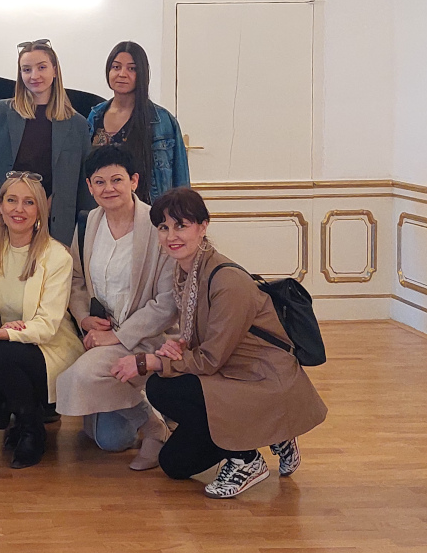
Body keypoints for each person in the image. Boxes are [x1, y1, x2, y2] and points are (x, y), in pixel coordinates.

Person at [116, 188, 327, 498]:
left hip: (260, 379)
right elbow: (204, 339)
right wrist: (179, 348)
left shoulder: (227, 281)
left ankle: (247, 459)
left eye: (181, 225)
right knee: (174, 464)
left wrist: (153, 361)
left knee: (162, 386)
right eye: (163, 227)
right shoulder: (185, 272)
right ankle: (271, 431)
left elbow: (211, 359)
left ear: (203, 226)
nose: (171, 236)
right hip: (230, 373)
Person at [54, 146, 177, 470]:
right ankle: (144, 406)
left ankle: (153, 425)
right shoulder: (88, 223)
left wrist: (119, 337)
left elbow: (167, 303)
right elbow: (76, 279)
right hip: (101, 337)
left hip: (145, 338)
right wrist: (84, 319)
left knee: (78, 378)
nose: (108, 188)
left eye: (117, 180)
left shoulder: (158, 227)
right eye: (100, 182)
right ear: (89, 186)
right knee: (109, 440)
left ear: (134, 181)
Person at [0, 173, 82, 469]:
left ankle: (31, 429)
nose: (18, 209)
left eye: (29, 202)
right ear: (0, 206)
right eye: (11, 200)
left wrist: (0, 336)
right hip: (3, 349)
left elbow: (47, 326)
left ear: (40, 211)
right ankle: (24, 407)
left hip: (49, 350)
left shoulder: (57, 256)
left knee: (1, 354)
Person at [0, 39, 90, 251]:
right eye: (26, 69)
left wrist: (49, 208)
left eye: (41, 67)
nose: (34, 76)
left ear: (55, 70)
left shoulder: (77, 124)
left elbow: (82, 182)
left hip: (52, 222)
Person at [86, 42, 190, 201]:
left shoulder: (162, 121)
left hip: (149, 210)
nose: (122, 74)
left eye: (132, 69)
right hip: (103, 209)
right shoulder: (95, 116)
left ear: (142, 73)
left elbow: (181, 181)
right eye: (116, 67)